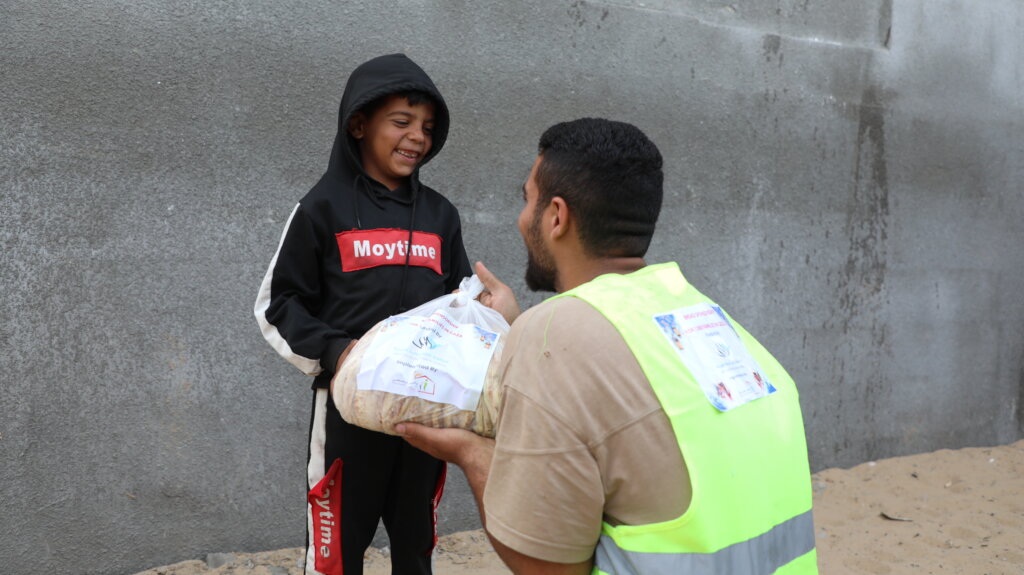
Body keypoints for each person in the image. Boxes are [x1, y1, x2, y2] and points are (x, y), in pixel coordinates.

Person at [399, 118, 818, 574]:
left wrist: (472, 454)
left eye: (528, 200)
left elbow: (543, 564)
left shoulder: (552, 333)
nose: (522, 218)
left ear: (556, 217)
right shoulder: (709, 321)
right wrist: (519, 331)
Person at [254, 53, 472, 575]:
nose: (417, 136)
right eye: (401, 122)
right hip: (347, 413)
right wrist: (339, 353)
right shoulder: (321, 207)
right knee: (336, 553)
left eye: (427, 126)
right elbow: (276, 305)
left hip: (422, 417)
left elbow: (461, 307)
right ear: (358, 124)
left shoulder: (441, 215)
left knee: (416, 547)